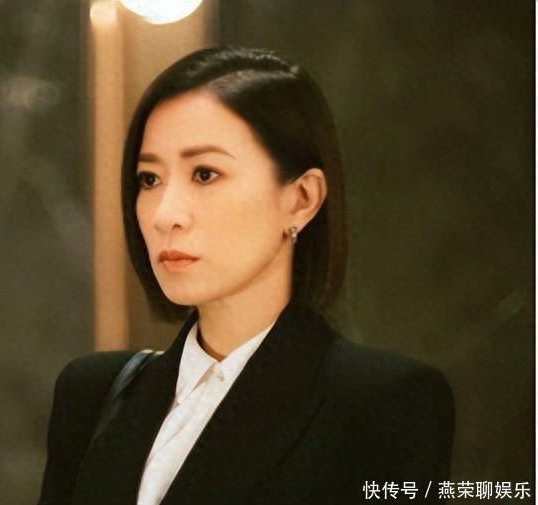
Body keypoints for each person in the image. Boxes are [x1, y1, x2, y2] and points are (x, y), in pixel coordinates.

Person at [38, 47, 454, 505]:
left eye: (205, 174)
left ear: (301, 198)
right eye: (149, 179)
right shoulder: (94, 392)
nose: (165, 215)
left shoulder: (382, 402)